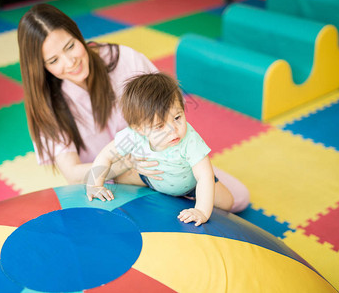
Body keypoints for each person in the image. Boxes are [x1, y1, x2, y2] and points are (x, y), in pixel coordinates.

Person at [18, 4, 249, 213]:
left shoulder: (122, 59)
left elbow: (171, 106)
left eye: (70, 47)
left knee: (237, 199)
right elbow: (72, 173)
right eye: (53, 60)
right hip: (114, 179)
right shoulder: (46, 104)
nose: (70, 63)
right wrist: (126, 165)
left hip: (167, 158)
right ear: (41, 67)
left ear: (78, 36)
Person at [86, 73, 237, 226]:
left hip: (191, 185)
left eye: (177, 118)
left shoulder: (190, 140)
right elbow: (106, 156)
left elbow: (204, 176)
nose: (173, 130)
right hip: (151, 179)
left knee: (228, 203)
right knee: (121, 177)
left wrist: (201, 211)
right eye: (160, 126)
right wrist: (94, 185)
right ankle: (129, 177)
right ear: (140, 129)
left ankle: (197, 172)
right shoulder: (133, 136)